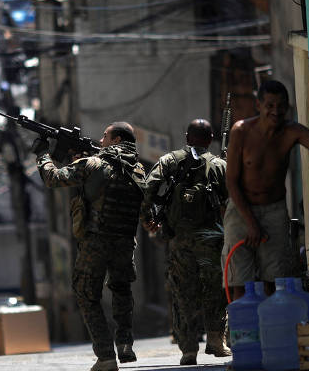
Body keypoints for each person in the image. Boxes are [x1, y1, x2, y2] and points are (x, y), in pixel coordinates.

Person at [33, 122, 146, 371]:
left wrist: (43, 154)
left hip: (96, 241)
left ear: (116, 139)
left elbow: (53, 178)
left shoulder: (94, 164)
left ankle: (106, 356)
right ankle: (125, 342)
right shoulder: (137, 169)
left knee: (86, 293)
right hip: (125, 241)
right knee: (121, 289)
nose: (101, 140)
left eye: (105, 136)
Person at [223, 80, 309, 300]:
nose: (276, 111)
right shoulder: (241, 131)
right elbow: (232, 182)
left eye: (281, 105)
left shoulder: (293, 132)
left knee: (275, 281)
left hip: (274, 211)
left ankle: (273, 328)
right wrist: (251, 222)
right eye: (270, 105)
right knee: (240, 283)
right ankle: (242, 332)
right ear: (258, 105)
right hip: (240, 210)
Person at [143, 119, 231, 365]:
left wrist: (148, 220)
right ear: (211, 137)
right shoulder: (220, 165)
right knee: (215, 289)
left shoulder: (170, 161)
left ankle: (189, 350)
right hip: (212, 240)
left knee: (183, 292)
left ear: (186, 137)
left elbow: (147, 188)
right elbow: (234, 199)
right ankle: (216, 340)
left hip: (180, 240)